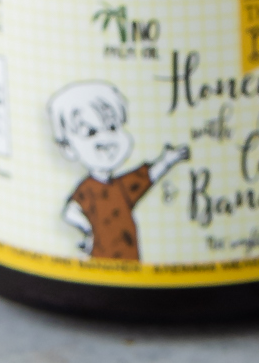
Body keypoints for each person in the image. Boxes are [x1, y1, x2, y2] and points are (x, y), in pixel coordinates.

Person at [47, 83, 188, 263]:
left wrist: (166, 161)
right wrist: (88, 229)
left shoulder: (120, 187)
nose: (106, 139)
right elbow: (70, 212)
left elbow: (147, 177)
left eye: (113, 128)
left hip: (130, 260)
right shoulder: (88, 189)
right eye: (90, 132)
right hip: (102, 260)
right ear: (68, 148)